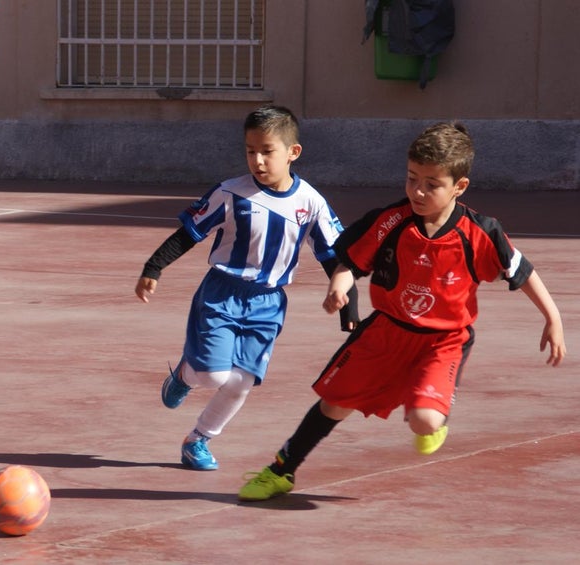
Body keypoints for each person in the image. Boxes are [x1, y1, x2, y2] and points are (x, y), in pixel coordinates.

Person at [238, 122, 567, 502]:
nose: (418, 191)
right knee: (335, 404)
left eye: (431, 184)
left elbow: (522, 273)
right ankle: (281, 470)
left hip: (443, 340)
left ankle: (431, 413)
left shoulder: (481, 232)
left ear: (459, 187)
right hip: (386, 333)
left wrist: (553, 318)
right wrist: (340, 285)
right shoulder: (390, 220)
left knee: (424, 421)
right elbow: (350, 262)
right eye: (412, 179)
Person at [135, 104, 359, 472]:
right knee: (213, 375)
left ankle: (198, 440)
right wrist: (153, 267)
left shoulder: (312, 203)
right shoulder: (230, 193)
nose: (257, 160)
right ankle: (185, 375)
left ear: (293, 152)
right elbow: (188, 234)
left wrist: (349, 308)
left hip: (268, 303)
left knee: (241, 381)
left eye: (267, 151)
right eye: (250, 151)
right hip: (222, 293)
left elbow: (337, 258)